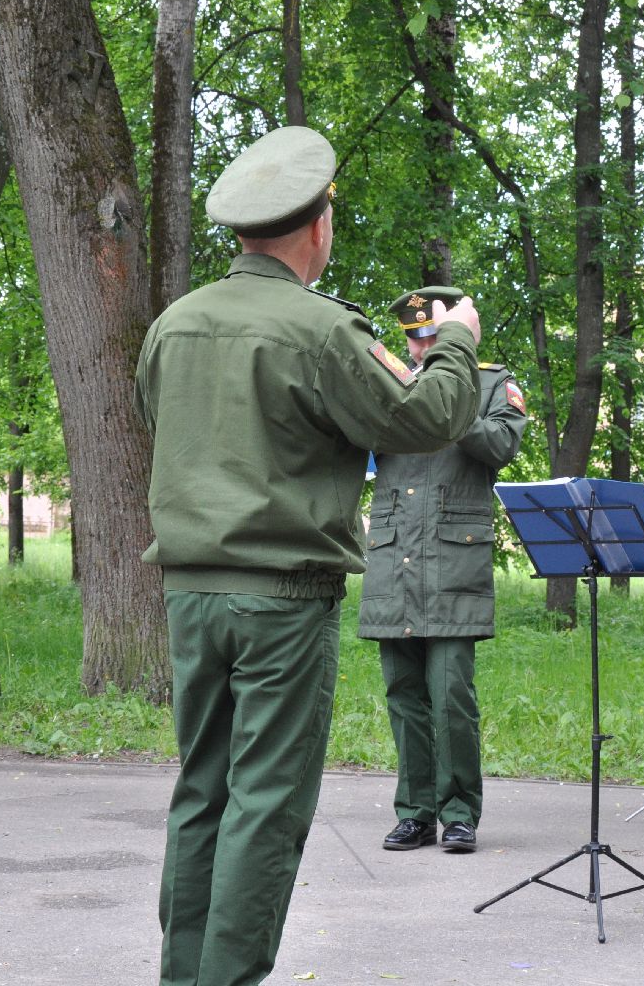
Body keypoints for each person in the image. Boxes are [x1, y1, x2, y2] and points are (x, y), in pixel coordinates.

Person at [135, 125, 483, 986]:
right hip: (282, 602)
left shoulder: (175, 323)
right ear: (318, 226)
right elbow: (429, 418)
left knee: (202, 792)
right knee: (267, 804)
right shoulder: (323, 329)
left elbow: (161, 420)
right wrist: (457, 341)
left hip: (190, 595)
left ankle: (186, 977)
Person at [359, 285, 529, 855]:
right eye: (414, 338)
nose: (422, 347)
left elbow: (501, 445)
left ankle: (459, 813)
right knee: (403, 694)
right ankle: (415, 812)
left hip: (454, 556)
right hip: (393, 554)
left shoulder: (490, 383)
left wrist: (445, 402)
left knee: (451, 693)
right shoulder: (387, 382)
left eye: (432, 335)